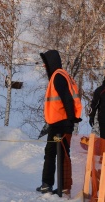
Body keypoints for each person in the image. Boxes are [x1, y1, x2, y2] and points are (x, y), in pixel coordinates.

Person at [36, 50, 82, 196]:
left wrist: (69, 119)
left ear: (51, 62)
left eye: (45, 63)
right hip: (62, 123)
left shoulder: (58, 77)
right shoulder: (63, 75)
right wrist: (71, 120)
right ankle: (63, 186)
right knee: (62, 154)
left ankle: (47, 185)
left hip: (59, 125)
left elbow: (67, 98)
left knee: (51, 153)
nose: (44, 66)